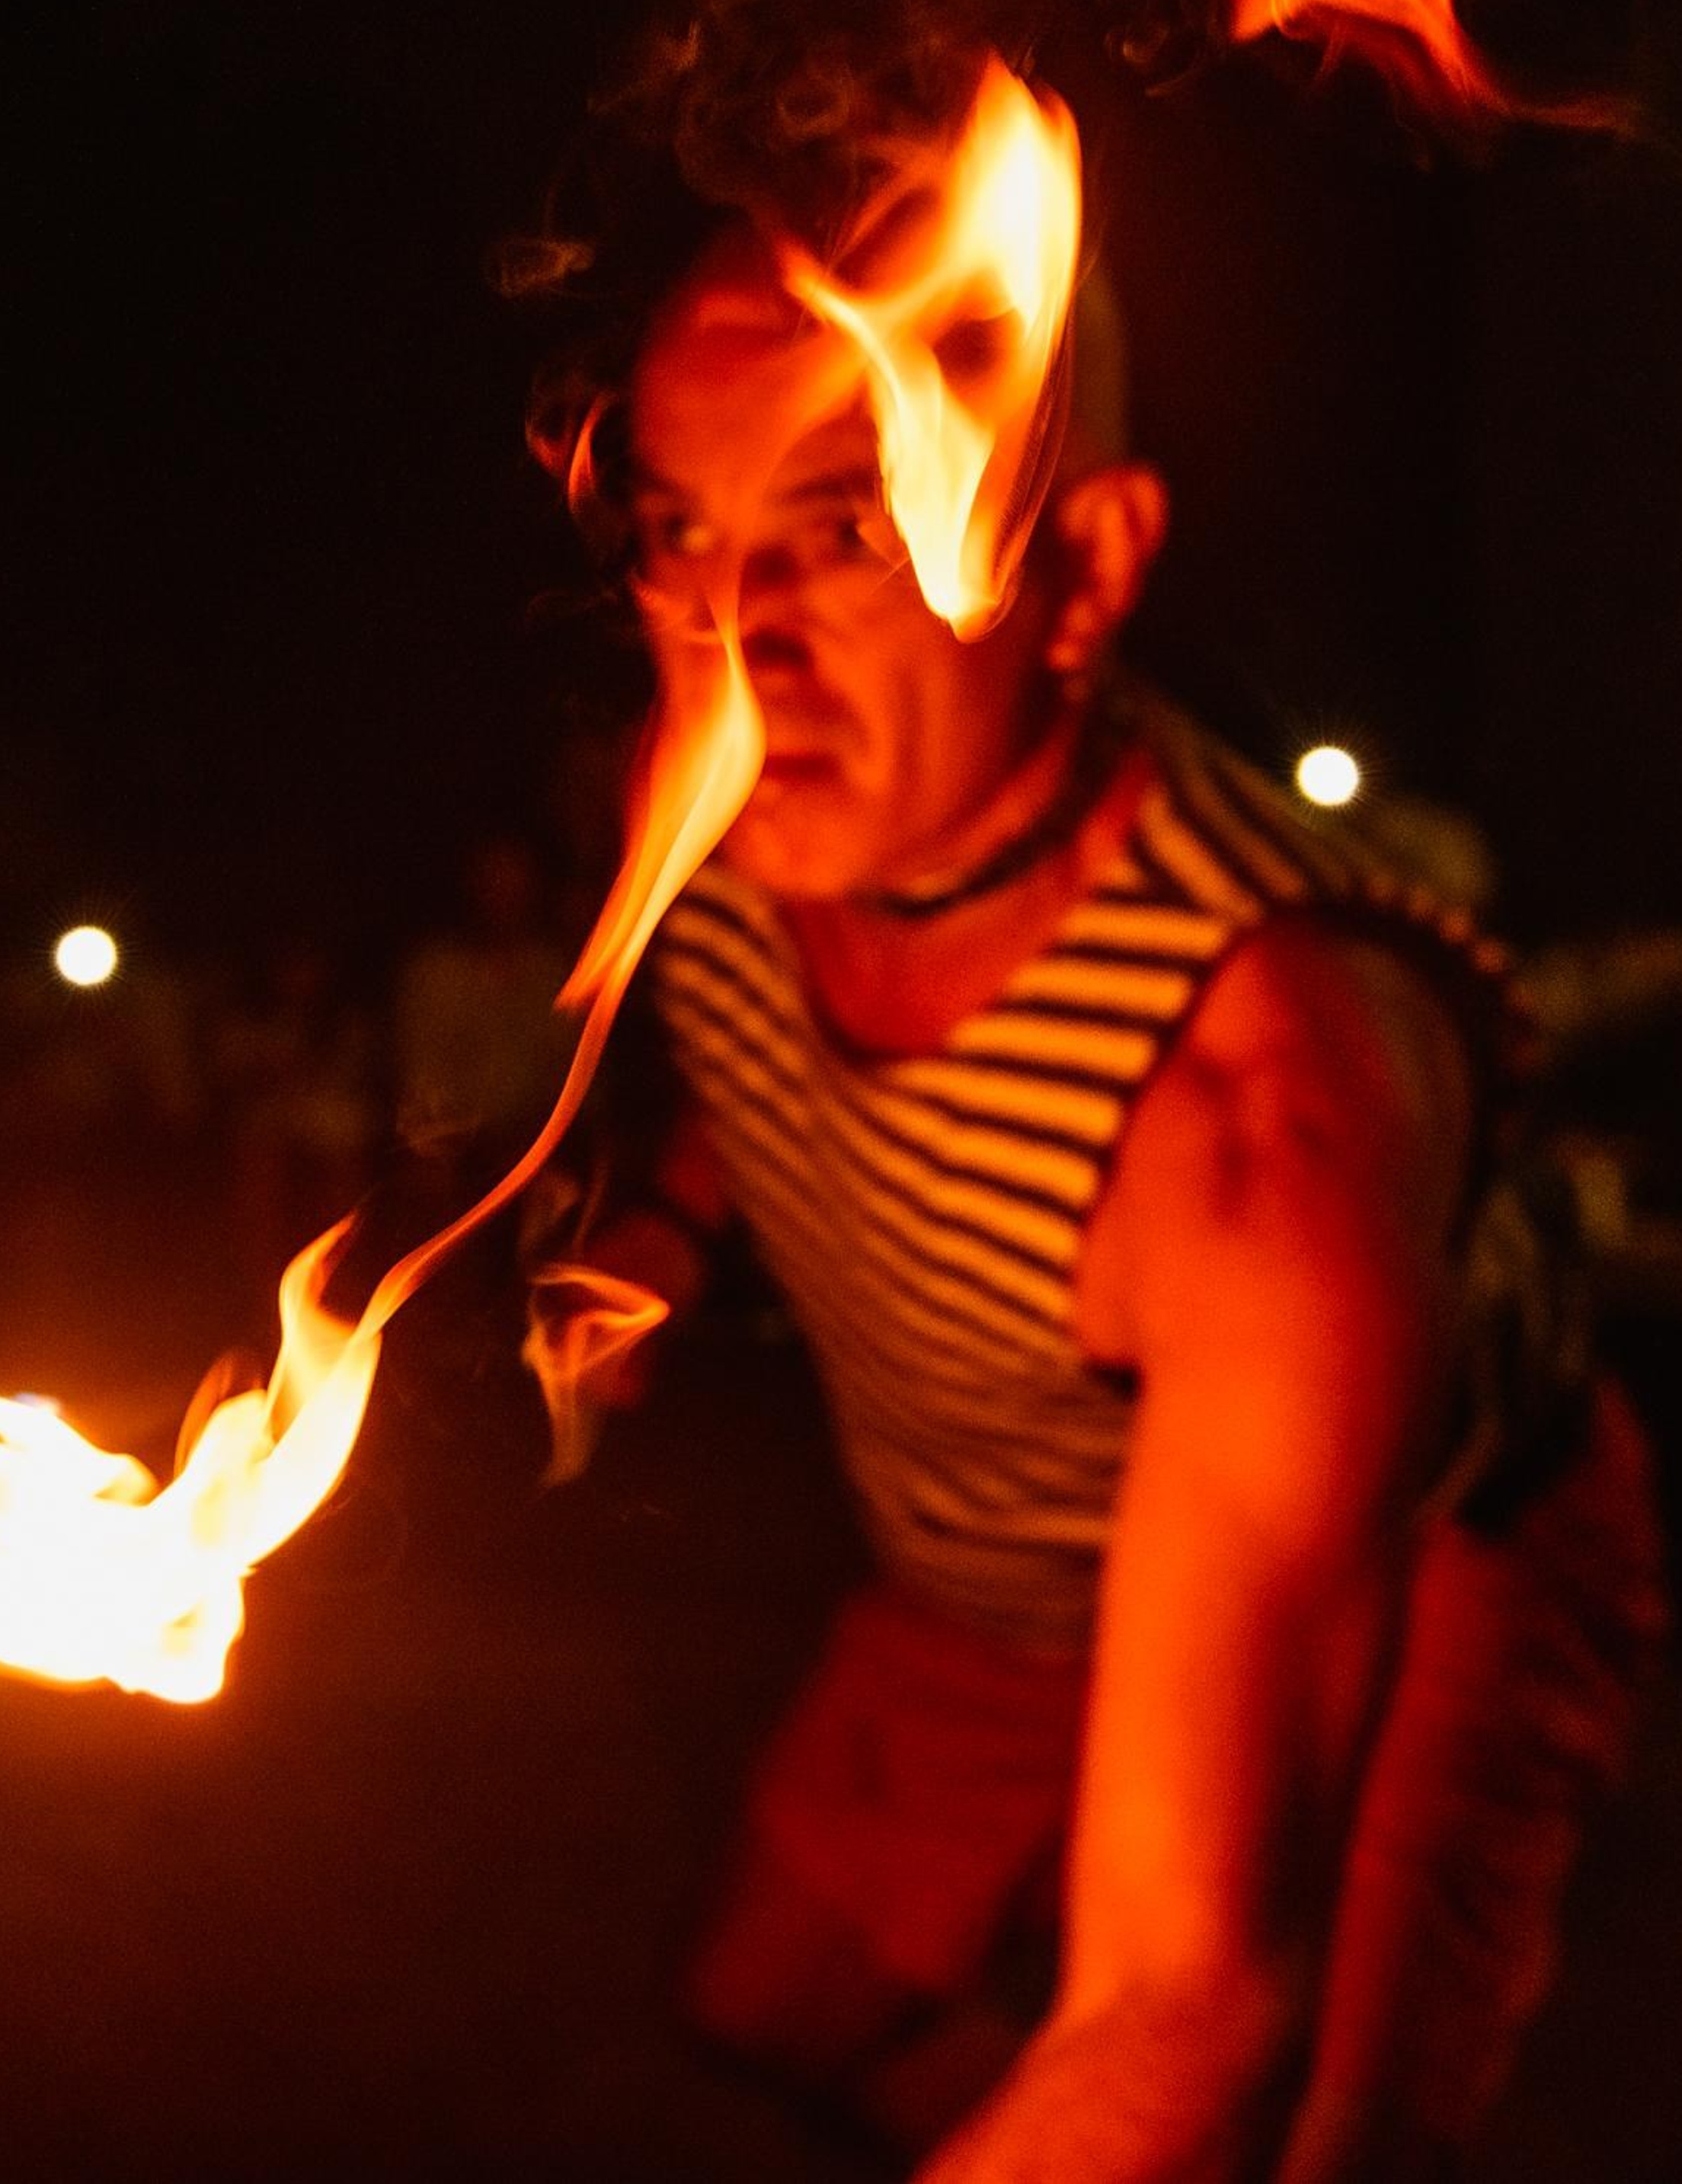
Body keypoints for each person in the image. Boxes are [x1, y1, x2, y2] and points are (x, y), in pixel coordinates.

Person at [566, 219, 1669, 2183]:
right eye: (678, 533)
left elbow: (1187, 2011)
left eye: (853, 533)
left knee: (1280, 2132)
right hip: (1003, 1567)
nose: (739, 644)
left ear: (1084, 571)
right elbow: (762, 1076)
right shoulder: (735, 843)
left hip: (1421, 1572)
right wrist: (662, 1229)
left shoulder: (1262, 1110)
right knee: (771, 2002)